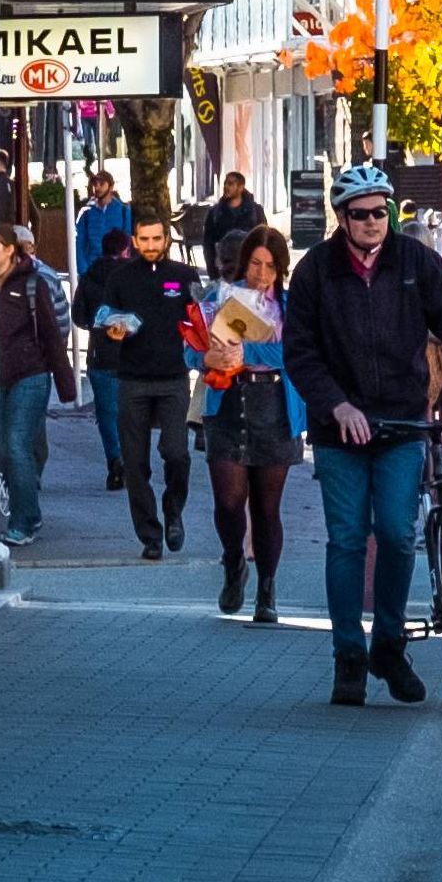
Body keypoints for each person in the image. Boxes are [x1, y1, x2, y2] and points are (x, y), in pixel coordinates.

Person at [284, 169, 442, 707]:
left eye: (381, 213)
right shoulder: (316, 272)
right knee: (348, 538)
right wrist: (336, 405)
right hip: (339, 429)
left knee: (395, 533)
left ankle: (388, 646)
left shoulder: (416, 264)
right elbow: (299, 352)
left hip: (401, 421)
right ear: (341, 218)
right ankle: (349, 655)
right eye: (361, 213)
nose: (373, 223)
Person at [78, 207, 200, 556]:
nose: (150, 245)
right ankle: (150, 535)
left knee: (177, 453)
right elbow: (104, 318)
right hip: (130, 380)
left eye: (156, 239)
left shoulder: (183, 274)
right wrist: (113, 330)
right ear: (134, 241)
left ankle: (174, 510)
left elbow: (203, 319)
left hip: (174, 379)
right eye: (144, 239)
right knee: (134, 463)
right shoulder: (120, 277)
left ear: (166, 240)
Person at [194, 228, 301, 623]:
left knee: (267, 506)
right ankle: (233, 561)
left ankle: (267, 588)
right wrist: (207, 358)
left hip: (273, 403)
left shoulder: (289, 306)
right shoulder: (220, 297)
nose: (262, 274)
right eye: (256, 263)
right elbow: (190, 345)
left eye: (271, 266)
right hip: (228, 403)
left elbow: (296, 351)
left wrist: (249, 350)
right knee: (228, 501)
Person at [0, 227, 73, 551]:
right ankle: (27, 505)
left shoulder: (33, 282)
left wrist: (66, 383)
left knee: (15, 444)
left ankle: (23, 520)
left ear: (10, 249)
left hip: (31, 374)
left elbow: (53, 332)